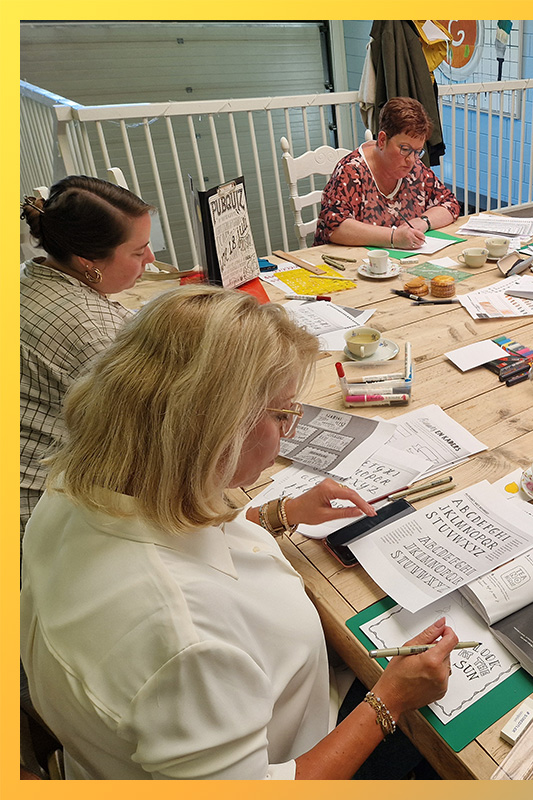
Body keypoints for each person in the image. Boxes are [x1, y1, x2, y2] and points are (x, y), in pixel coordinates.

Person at [21, 285, 457, 780]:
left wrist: (280, 513)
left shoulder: (80, 482)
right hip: (296, 752)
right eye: (283, 414)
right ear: (214, 427)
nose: (291, 430)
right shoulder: (183, 642)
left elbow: (181, 538)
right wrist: (391, 700)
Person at [20, 176, 154, 537]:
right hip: (46, 519)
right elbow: (153, 441)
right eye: (138, 252)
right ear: (88, 262)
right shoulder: (89, 330)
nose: (151, 259)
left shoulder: (32, 274)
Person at [314, 97, 460, 249]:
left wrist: (423, 222)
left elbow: (449, 204)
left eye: (417, 152)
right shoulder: (351, 172)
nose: (411, 159)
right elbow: (335, 226)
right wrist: (393, 237)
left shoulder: (415, 169)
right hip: (345, 260)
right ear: (382, 140)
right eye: (404, 149)